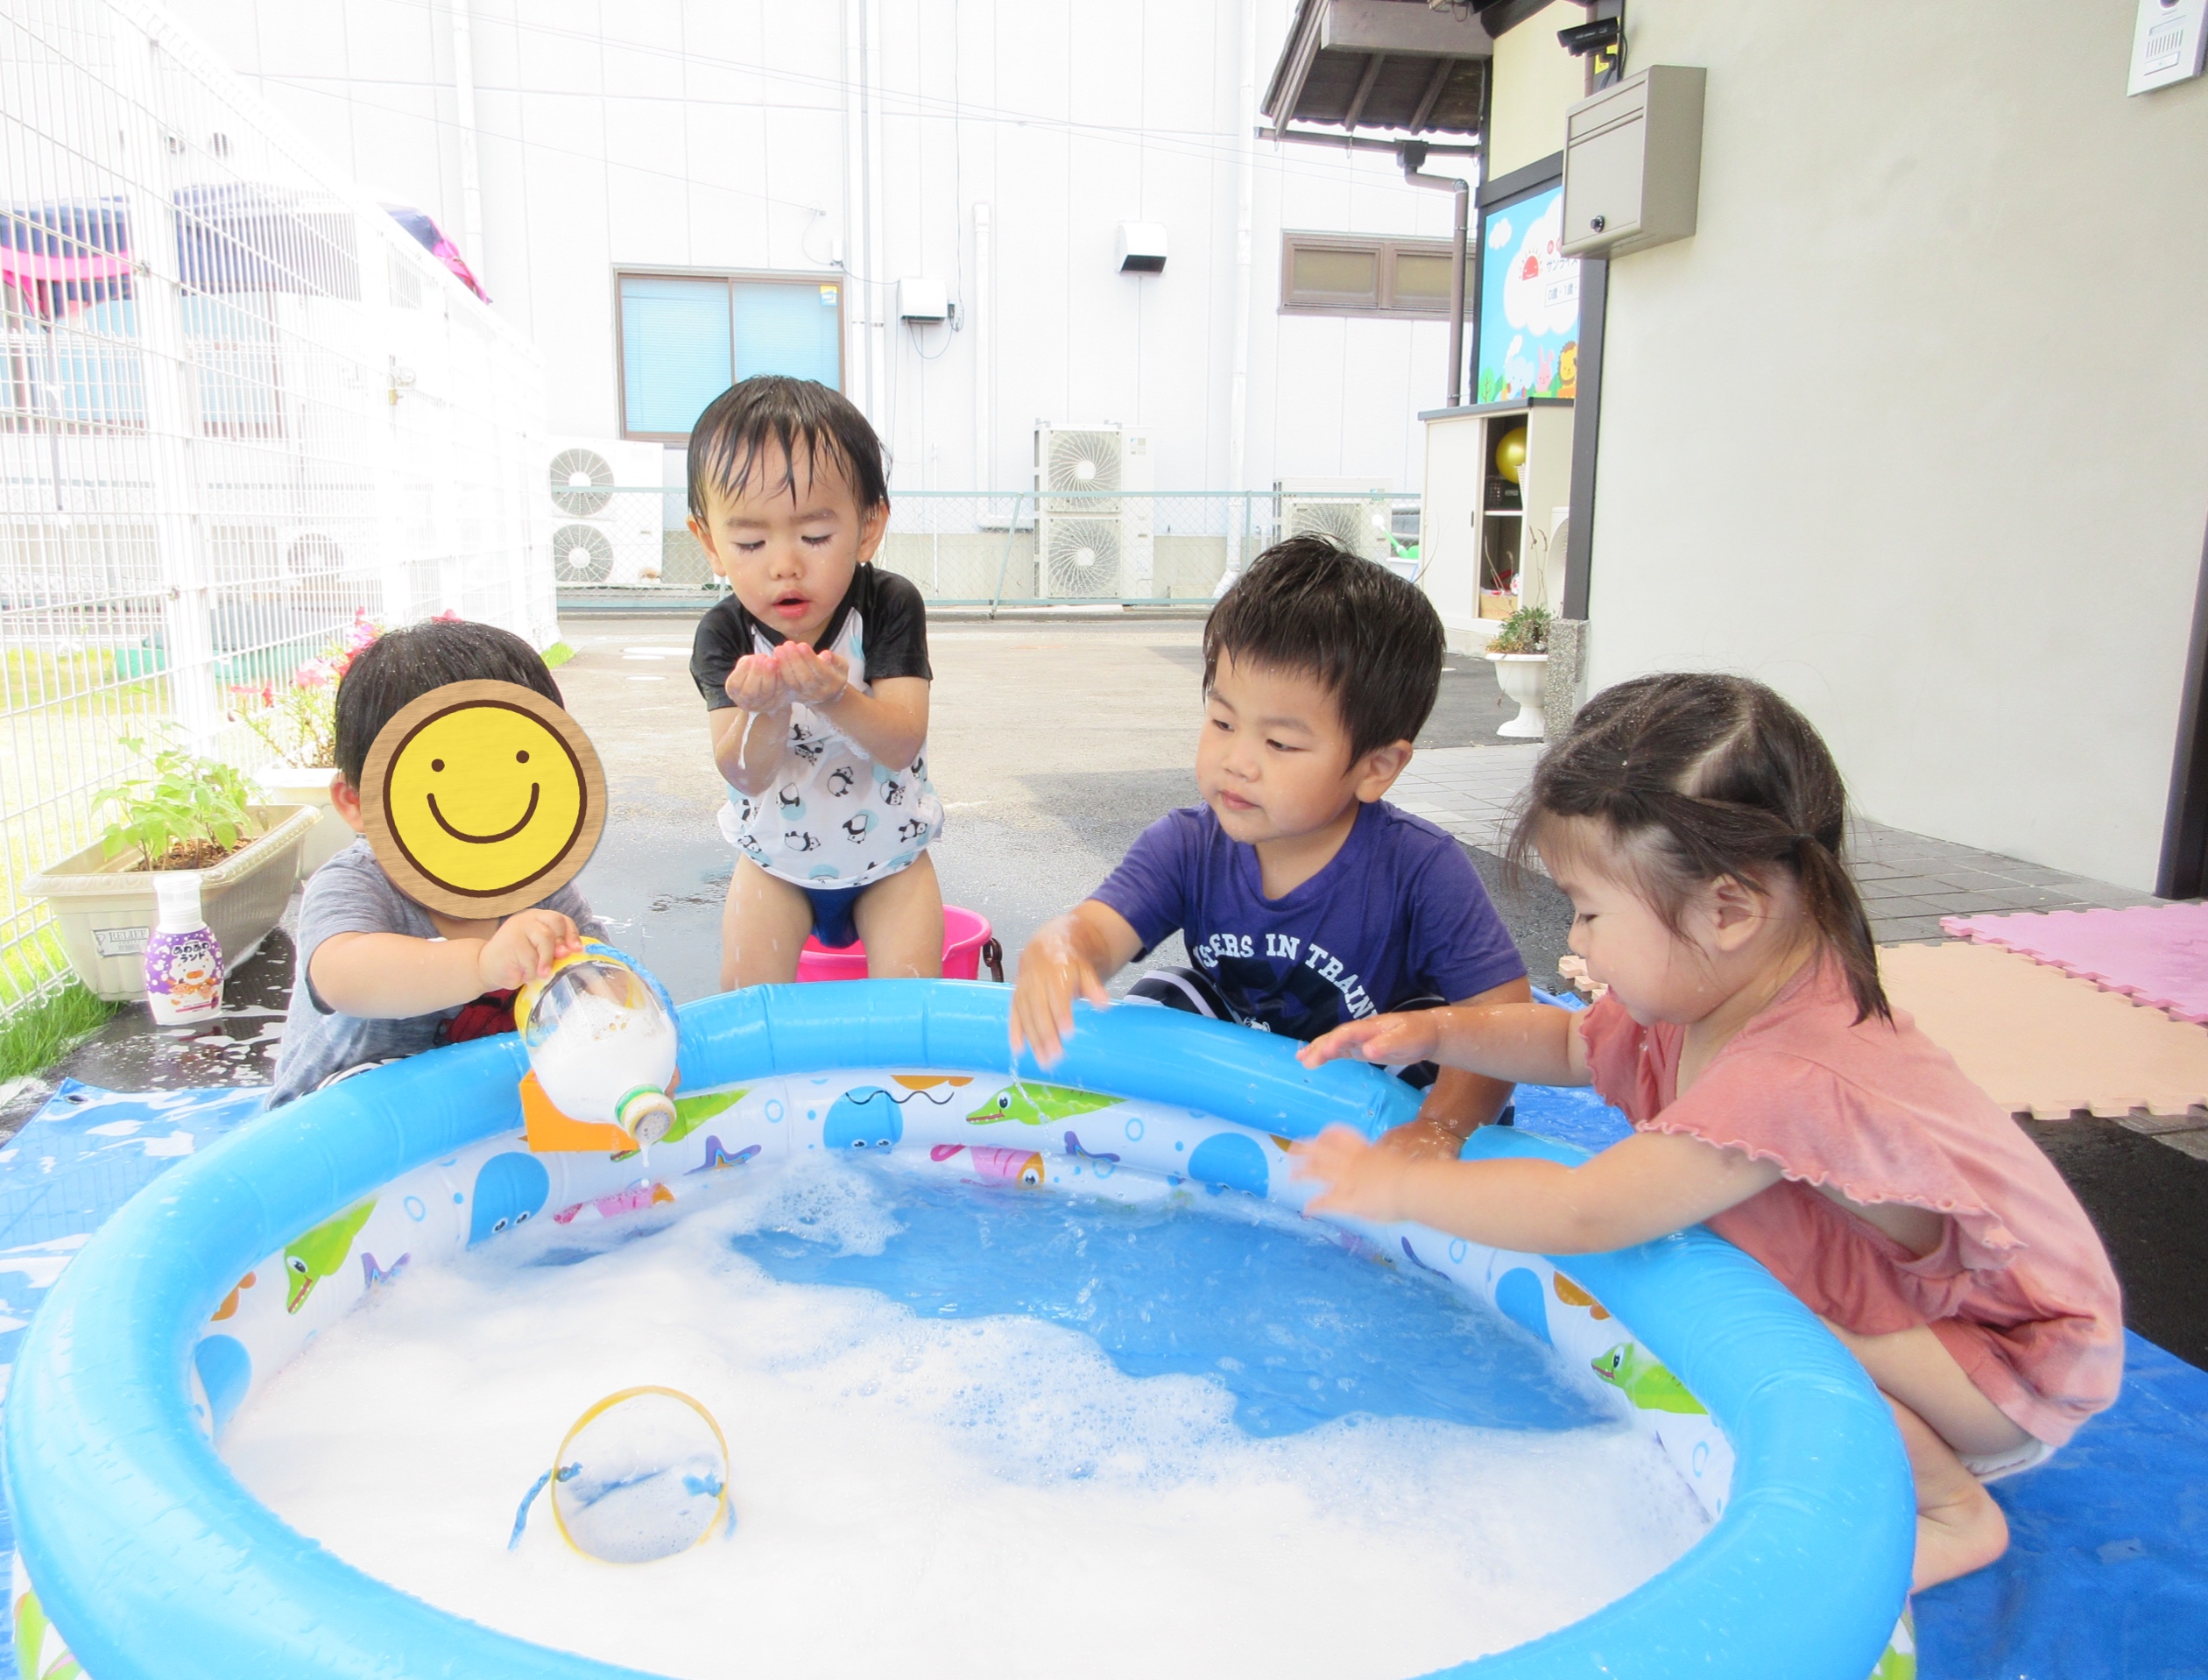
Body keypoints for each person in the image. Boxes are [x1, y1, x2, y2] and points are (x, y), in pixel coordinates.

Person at [1294, 672, 2123, 1591]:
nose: (1578, 942)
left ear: (1728, 910)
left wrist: (1405, 1186)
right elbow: (1569, 1039)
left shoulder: (1792, 1071)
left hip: (1999, 1362)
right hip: (1917, 1314)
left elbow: (1585, 1212)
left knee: (1770, 1337)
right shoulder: (1712, 985)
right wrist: (1437, 1031)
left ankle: (1947, 1511)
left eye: (1589, 912)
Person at [1009, 537, 1530, 1154]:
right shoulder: (1185, 845)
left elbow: (1505, 1019)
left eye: (1279, 743)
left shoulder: (1420, 868)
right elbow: (1098, 932)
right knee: (1163, 998)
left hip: (1369, 1074)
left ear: (1376, 768)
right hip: (1248, 1056)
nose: (1237, 761)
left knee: (1437, 1046)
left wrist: (1440, 1129)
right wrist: (1062, 946)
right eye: (1222, 722)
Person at [267, 620, 591, 1107]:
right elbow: (343, 977)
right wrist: (482, 965)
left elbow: (597, 979)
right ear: (357, 802)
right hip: (339, 1117)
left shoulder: (540, 891)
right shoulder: (355, 882)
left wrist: (629, 1043)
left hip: (483, 1108)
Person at [687, 376, 944, 988]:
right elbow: (744, 773)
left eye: (815, 537)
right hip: (773, 866)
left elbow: (900, 742)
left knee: (909, 1011)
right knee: (747, 1005)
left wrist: (833, 695)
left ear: (868, 526)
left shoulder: (887, 605)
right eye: (750, 541)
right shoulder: (724, 634)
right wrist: (766, 710)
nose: (785, 564)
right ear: (711, 544)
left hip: (892, 863)